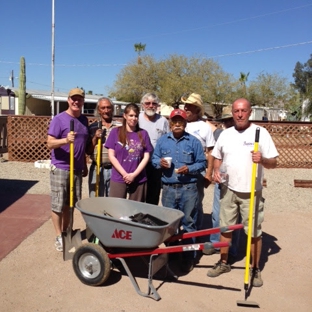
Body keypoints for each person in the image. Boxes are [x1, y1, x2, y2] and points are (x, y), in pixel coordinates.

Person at [207, 98, 279, 288]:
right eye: (236, 111)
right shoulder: (226, 134)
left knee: (254, 232)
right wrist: (216, 170)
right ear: (232, 112)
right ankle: (223, 262)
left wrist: (262, 159)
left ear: (249, 112)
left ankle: (255, 268)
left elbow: (274, 162)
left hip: (251, 191)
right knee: (225, 228)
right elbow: (217, 156)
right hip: (228, 189)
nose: (240, 114)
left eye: (243, 111)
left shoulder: (260, 133)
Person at [152, 109, 207, 272]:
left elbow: (202, 163)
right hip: (168, 188)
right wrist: (159, 163)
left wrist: (189, 169)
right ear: (170, 124)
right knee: (170, 225)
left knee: (189, 222)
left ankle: (189, 257)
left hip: (188, 188)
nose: (177, 124)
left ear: (185, 123)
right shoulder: (162, 141)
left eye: (180, 122)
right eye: (174, 122)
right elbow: (154, 159)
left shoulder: (194, 142)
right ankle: (173, 254)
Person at [47, 88, 89, 252]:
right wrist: (65, 139)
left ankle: (67, 233)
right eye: (73, 99)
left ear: (83, 101)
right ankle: (59, 236)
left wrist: (84, 164)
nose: (76, 102)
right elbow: (50, 143)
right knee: (58, 204)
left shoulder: (84, 120)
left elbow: (83, 146)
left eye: (79, 99)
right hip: (61, 168)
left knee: (70, 204)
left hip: (77, 169)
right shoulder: (59, 119)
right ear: (68, 100)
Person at [203, 106, 241, 260]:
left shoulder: (243, 135)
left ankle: (231, 248)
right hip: (222, 179)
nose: (228, 123)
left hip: (238, 182)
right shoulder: (221, 134)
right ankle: (214, 242)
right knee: (217, 213)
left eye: (230, 120)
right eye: (225, 120)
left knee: (234, 216)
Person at [105, 103, 153, 201]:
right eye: (131, 115)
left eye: (136, 116)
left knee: (136, 212)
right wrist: (124, 174)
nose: (133, 118)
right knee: (116, 210)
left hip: (139, 178)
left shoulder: (143, 133)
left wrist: (133, 175)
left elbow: (146, 157)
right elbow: (111, 155)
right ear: (125, 116)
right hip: (119, 177)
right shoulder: (115, 132)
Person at [181, 93, 215, 229]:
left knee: (196, 202)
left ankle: (196, 232)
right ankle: (180, 231)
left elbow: (211, 151)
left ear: (197, 109)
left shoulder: (205, 127)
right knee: (180, 201)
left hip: (198, 171)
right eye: (186, 105)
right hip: (179, 170)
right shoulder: (179, 123)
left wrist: (209, 174)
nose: (186, 108)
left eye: (190, 106)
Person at [139, 93, 169, 205]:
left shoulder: (163, 121)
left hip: (156, 164)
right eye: (147, 103)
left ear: (157, 106)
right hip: (139, 163)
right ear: (143, 105)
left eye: (154, 103)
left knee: (153, 193)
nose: (151, 106)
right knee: (139, 193)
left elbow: (167, 141)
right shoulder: (137, 118)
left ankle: (150, 219)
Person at [86, 97, 120, 197]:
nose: (106, 110)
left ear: (112, 109)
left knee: (113, 201)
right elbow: (88, 151)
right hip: (97, 167)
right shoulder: (92, 127)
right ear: (98, 110)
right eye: (103, 108)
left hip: (115, 168)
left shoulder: (120, 127)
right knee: (95, 201)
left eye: (108, 107)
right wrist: (95, 138)